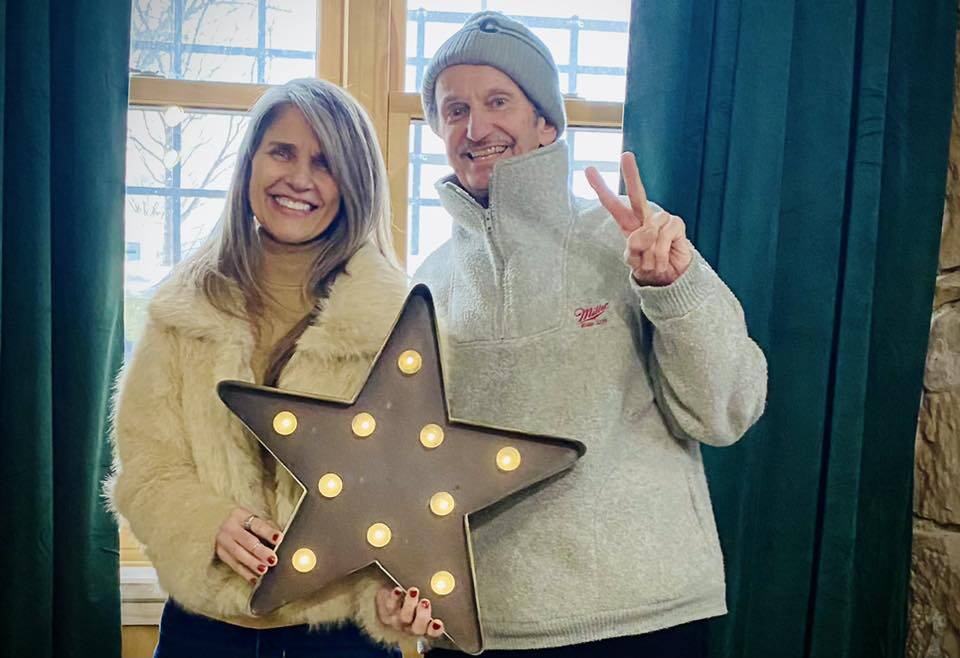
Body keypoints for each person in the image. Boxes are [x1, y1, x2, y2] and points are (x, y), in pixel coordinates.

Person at [370, 11, 768, 658]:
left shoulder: (634, 241)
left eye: (499, 101)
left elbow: (729, 409)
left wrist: (676, 288)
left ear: (546, 123)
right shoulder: (428, 286)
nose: (476, 127)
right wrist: (397, 579)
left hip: (642, 622)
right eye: (455, 109)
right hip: (475, 630)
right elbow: (404, 467)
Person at [107, 78, 442, 657]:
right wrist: (204, 521)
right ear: (251, 164)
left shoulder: (400, 324)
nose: (299, 178)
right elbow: (145, 467)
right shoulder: (182, 311)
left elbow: (415, 490)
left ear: (353, 182)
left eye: (325, 162)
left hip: (341, 643)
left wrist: (390, 596)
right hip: (203, 636)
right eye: (282, 152)